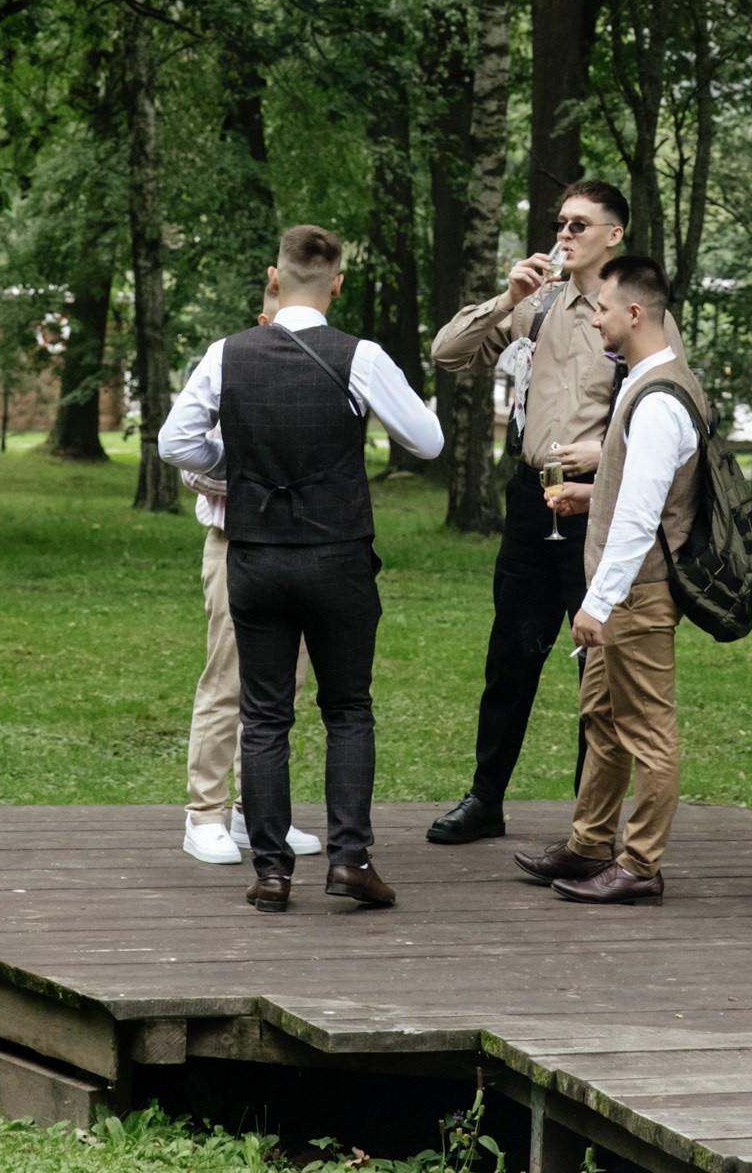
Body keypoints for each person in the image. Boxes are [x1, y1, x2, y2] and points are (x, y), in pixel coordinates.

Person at [158, 222, 443, 911]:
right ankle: (350, 861)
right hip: (337, 555)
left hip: (254, 557)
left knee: (263, 714)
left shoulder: (228, 353)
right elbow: (428, 442)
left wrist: (236, 467)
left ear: (274, 278)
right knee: (347, 710)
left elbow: (175, 442)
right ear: (336, 285)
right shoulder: (360, 356)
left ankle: (272, 871)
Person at [424, 179, 630, 845]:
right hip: (529, 497)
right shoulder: (534, 305)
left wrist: (603, 453)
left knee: (596, 665)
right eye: (560, 223)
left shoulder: (634, 308)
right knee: (510, 655)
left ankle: (589, 821)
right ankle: (486, 800)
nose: (564, 234)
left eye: (579, 225)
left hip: (598, 507)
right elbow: (447, 355)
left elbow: (675, 404)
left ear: (614, 235)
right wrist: (504, 300)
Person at [514, 251, 704, 907]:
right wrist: (589, 493)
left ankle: (642, 864)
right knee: (601, 715)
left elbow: (643, 516)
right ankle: (590, 844)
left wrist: (597, 603)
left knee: (647, 726)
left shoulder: (657, 400)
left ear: (633, 312)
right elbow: (636, 490)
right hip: (624, 588)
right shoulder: (644, 382)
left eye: (600, 308)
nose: (592, 318)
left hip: (637, 591)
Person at [179, 275, 322, 867]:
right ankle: (203, 815)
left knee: (284, 688)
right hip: (235, 545)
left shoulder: (314, 380)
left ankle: (255, 813)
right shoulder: (226, 374)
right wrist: (263, 475)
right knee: (229, 681)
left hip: (297, 551)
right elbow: (190, 465)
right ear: (261, 327)